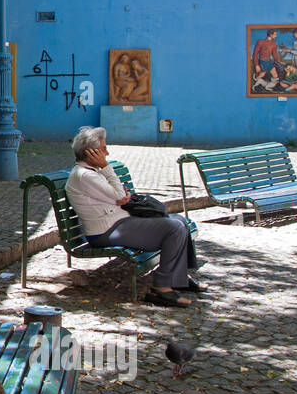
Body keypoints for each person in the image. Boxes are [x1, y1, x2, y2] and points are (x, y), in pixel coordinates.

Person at [64, 126, 205, 307]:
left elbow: (119, 195)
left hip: (119, 223)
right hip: (106, 231)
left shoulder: (91, 173)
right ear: (91, 153)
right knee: (174, 228)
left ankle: (178, 278)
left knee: (180, 221)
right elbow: (117, 196)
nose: (107, 152)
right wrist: (109, 171)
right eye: (103, 149)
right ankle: (162, 290)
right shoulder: (84, 175)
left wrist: (122, 195)